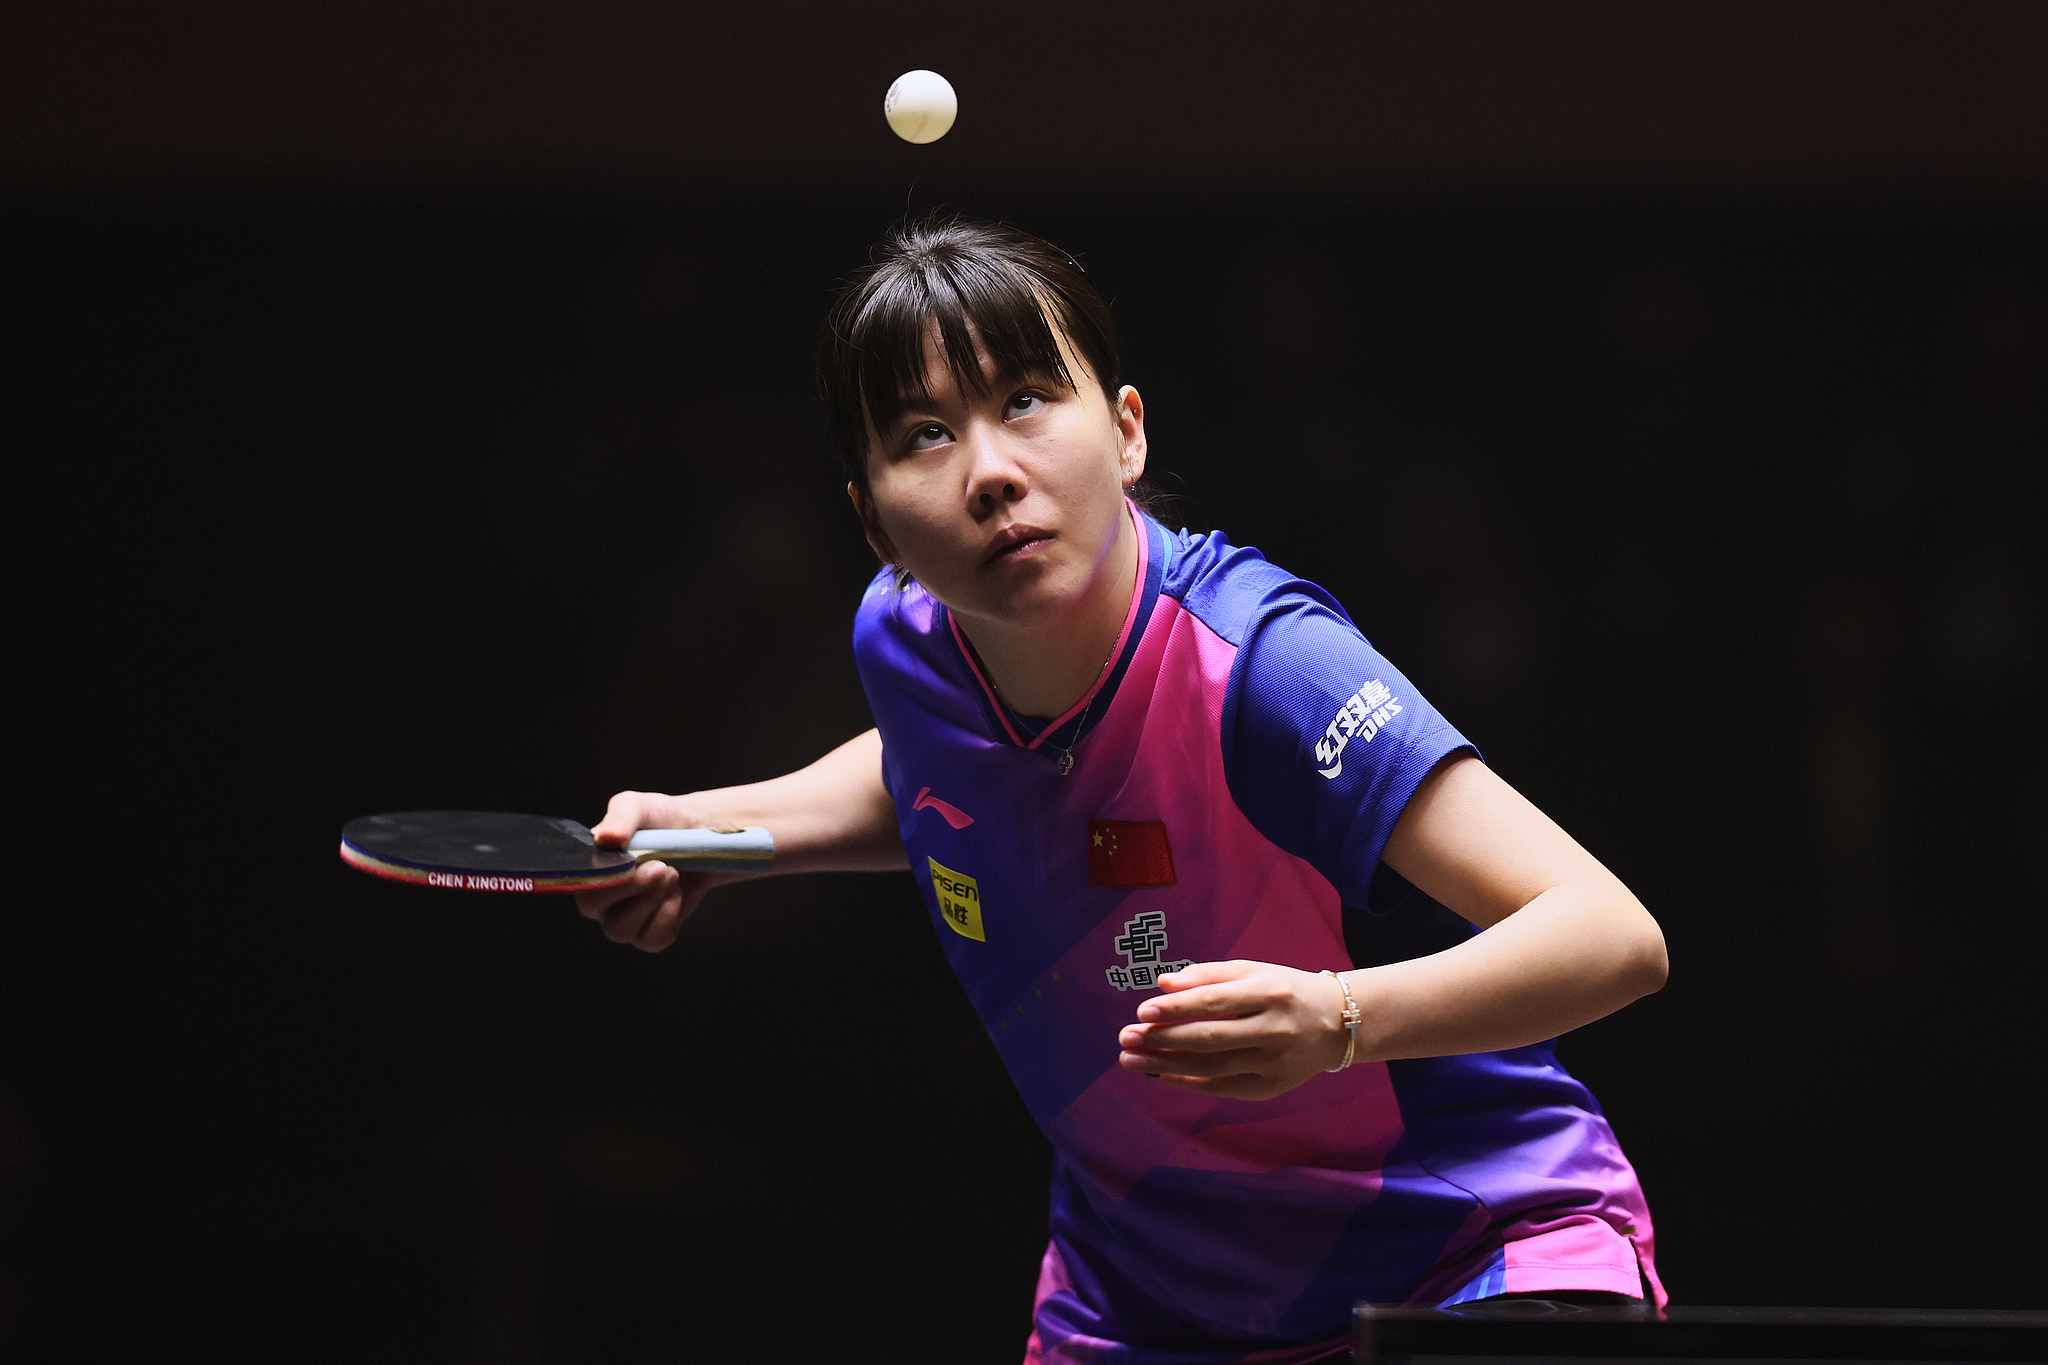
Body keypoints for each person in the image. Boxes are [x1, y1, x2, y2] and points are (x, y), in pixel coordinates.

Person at [574, 217, 1669, 1364]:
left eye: (1028, 401)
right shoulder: (905, 646)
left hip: (1462, 1262)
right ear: (871, 518)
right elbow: (933, 770)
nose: (991, 471)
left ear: (1127, 431)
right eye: (924, 435)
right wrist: (715, 832)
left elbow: (1610, 936)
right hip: (1148, 1310)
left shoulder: (1260, 670)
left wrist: (1336, 1021)